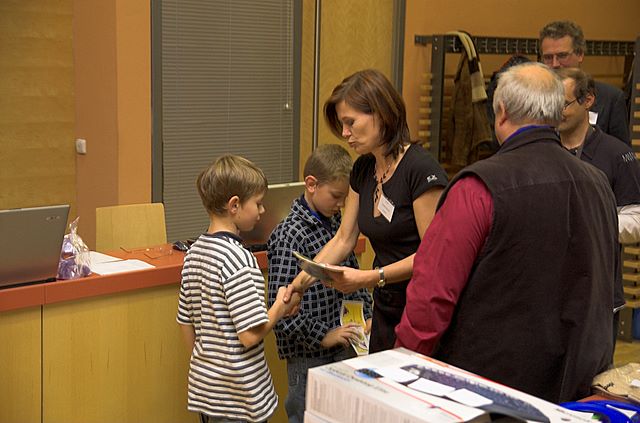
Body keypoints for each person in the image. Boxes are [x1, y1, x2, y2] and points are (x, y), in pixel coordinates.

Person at [396, 62, 619, 403]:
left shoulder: (477, 188)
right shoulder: (598, 183)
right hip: (576, 387)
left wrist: (400, 370)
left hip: (490, 393)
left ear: (500, 112)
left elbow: (431, 297)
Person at [286, 69, 448, 353]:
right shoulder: (363, 168)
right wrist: (299, 285)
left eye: (350, 122)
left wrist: (370, 277)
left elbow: (433, 256)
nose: (345, 134)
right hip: (386, 305)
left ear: (381, 113)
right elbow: (343, 239)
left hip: (422, 308)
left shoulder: (420, 169)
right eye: (342, 125)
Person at [176, 155, 298, 423]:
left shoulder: (194, 253)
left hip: (207, 393)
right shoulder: (239, 259)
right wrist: (280, 306)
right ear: (234, 205)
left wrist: (206, 366)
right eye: (258, 203)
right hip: (239, 398)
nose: (262, 211)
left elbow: (185, 321)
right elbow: (250, 336)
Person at [267, 144, 373, 423]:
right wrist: (324, 335)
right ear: (312, 184)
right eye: (336, 196)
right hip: (309, 357)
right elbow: (280, 308)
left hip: (346, 347)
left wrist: (367, 314)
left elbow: (353, 275)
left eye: (345, 198)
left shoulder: (339, 226)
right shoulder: (288, 235)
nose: (340, 205)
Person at [556, 67, 640, 350]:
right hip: (549, 294)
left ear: (588, 100)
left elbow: (636, 219)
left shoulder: (617, 154)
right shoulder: (543, 148)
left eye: (563, 104)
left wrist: (590, 222)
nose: (556, 113)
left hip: (598, 296)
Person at [539, 20, 630, 145]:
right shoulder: (533, 97)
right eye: (548, 57)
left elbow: (621, 152)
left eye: (562, 55)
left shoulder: (610, 99)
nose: (555, 64)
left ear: (580, 54)